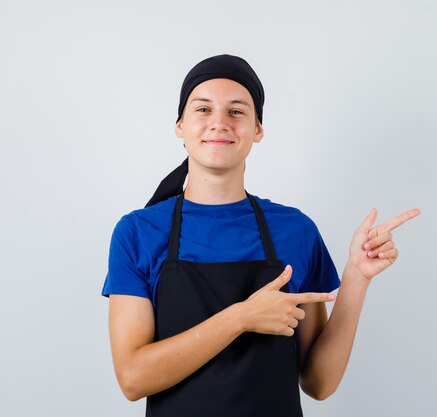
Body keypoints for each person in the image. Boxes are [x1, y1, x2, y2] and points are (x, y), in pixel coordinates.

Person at [102, 54, 420, 417]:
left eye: (236, 111)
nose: (219, 122)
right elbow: (132, 378)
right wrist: (241, 318)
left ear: (258, 129)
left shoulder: (296, 231)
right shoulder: (138, 232)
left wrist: (356, 279)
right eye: (203, 109)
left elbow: (319, 382)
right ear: (180, 126)